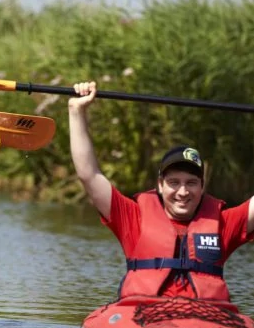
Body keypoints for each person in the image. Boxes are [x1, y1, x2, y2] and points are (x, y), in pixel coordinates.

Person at [68, 80, 254, 301]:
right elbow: (89, 175)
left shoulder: (224, 224)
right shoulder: (132, 218)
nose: (183, 192)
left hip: (207, 322)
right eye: (174, 182)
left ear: (202, 186)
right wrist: (77, 111)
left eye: (191, 183)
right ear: (160, 185)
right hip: (145, 319)